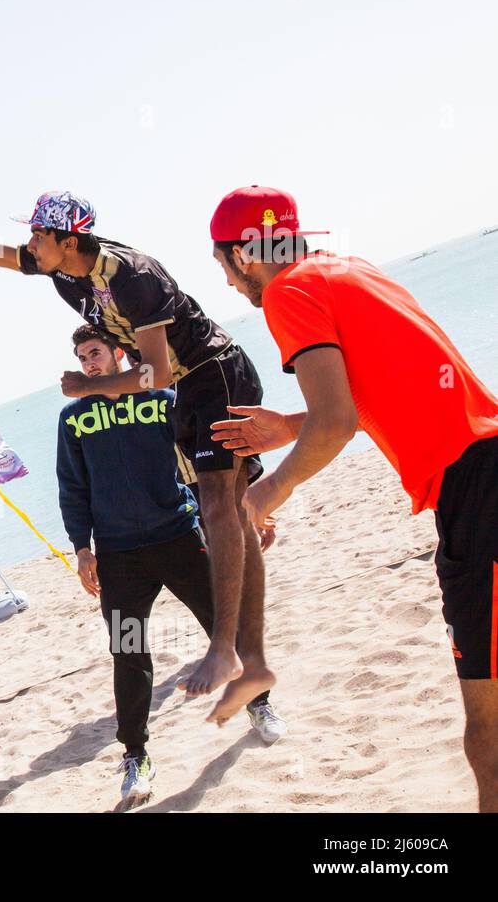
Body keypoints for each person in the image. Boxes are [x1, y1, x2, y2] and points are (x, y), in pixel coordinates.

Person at [0, 179, 273, 710]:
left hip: (213, 372)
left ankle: (225, 648)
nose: (29, 244)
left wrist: (90, 387)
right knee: (229, 510)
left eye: (36, 234)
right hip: (190, 384)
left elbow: (157, 374)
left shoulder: (132, 277)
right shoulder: (59, 265)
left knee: (217, 507)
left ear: (69, 240)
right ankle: (250, 646)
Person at [207, 185, 498, 811]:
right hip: (481, 469)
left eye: (223, 267)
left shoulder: (286, 291)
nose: (231, 286)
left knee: (488, 731)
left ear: (242, 256)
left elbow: (336, 421)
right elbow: (385, 389)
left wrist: (268, 491)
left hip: (478, 491)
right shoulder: (349, 269)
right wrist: (290, 426)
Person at [59, 325, 287, 808]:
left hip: (178, 536)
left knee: (221, 623)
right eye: (82, 357)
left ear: (121, 354)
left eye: (96, 353)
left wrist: (248, 506)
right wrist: (82, 548)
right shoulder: (74, 418)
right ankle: (135, 756)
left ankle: (258, 704)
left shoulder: (163, 399)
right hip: (119, 557)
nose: (89, 364)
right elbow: (72, 487)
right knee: (129, 651)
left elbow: (212, 456)